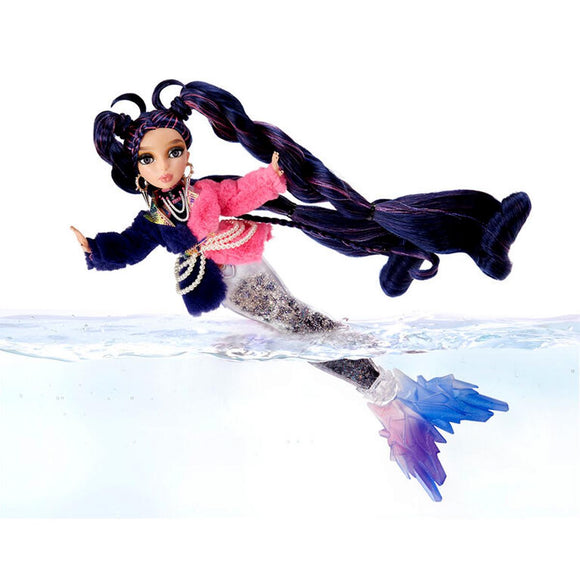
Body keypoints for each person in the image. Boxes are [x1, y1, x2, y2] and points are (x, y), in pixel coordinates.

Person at [71, 79, 530, 501]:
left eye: (172, 152)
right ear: (138, 169)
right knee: (298, 326)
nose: (164, 165)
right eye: (149, 159)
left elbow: (241, 193)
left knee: (300, 324)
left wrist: (272, 177)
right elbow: (128, 246)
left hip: (249, 262)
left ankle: (384, 391)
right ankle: (384, 390)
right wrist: (98, 250)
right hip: (226, 283)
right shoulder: (153, 219)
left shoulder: (205, 191)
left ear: (186, 154)